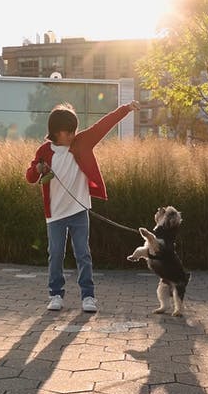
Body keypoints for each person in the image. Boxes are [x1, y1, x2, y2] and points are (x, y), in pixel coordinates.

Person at [26, 98, 140, 312]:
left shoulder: (82, 142)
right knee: (56, 254)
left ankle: (88, 296)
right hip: (55, 215)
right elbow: (30, 176)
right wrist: (38, 169)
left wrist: (126, 109)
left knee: (83, 254)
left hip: (79, 211)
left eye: (73, 131)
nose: (71, 135)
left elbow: (104, 125)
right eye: (67, 132)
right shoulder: (44, 151)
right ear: (55, 132)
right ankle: (55, 295)